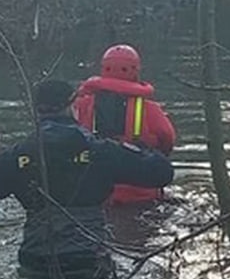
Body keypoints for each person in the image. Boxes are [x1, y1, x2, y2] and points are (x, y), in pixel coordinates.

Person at [0, 79, 175, 273]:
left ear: (36, 111)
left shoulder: (20, 154)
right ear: (72, 107)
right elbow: (162, 173)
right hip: (87, 260)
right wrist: (139, 148)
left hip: (36, 262)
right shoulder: (100, 151)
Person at [72, 44, 177, 205]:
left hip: (96, 195)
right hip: (141, 194)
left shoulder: (82, 105)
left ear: (104, 68)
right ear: (135, 70)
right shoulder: (150, 109)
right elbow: (167, 141)